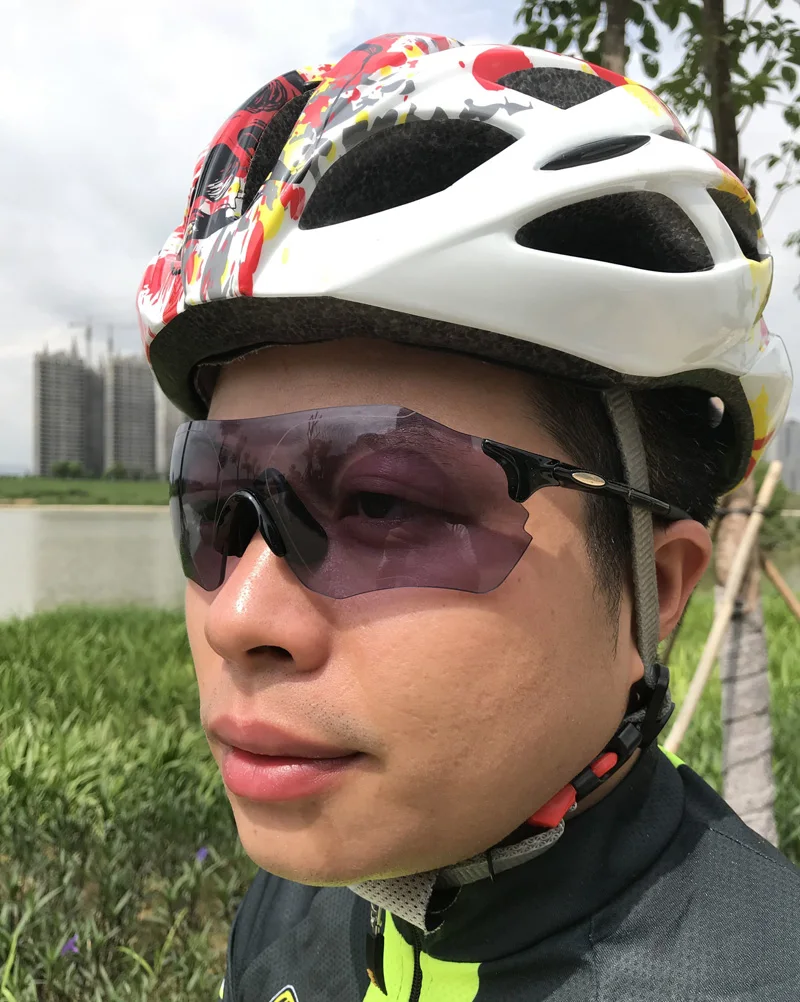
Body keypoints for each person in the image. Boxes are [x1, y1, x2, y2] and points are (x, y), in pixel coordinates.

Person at [137, 33, 799, 1002]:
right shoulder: (289, 914)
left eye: (383, 503)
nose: (238, 618)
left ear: (652, 592)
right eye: (218, 510)